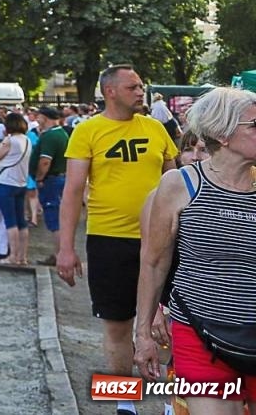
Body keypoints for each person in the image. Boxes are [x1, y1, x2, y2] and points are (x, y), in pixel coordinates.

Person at [57, 64, 177, 409]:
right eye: (133, 87)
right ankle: (125, 403)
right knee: (117, 323)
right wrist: (66, 248)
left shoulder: (156, 128)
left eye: (141, 86)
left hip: (161, 238)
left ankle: (173, 401)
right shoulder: (88, 131)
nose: (141, 92)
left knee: (169, 322)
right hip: (109, 239)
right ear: (110, 91)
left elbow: (175, 183)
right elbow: (72, 192)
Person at [134, 88, 256, 413]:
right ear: (222, 134)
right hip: (200, 334)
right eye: (255, 124)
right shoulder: (179, 184)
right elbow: (154, 262)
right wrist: (143, 332)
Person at [0, 111, 32, 266]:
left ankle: (12, 255)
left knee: (10, 221)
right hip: (21, 182)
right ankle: (22, 256)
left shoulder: (9, 141)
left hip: (6, 182)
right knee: (21, 221)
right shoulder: (26, 140)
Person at [32, 106, 69, 259]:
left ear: (44, 117)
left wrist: (39, 178)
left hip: (51, 180)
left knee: (54, 219)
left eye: (38, 116)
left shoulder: (50, 137)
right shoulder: (61, 133)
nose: (36, 119)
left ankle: (59, 254)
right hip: (59, 179)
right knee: (58, 217)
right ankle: (59, 252)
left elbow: (45, 161)